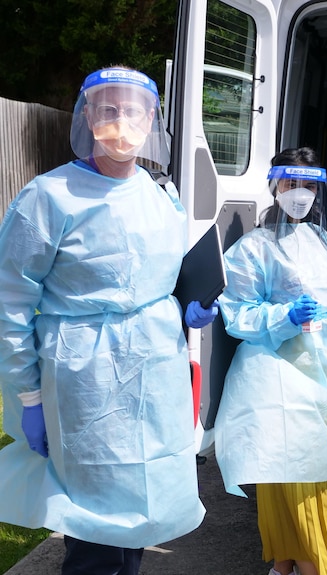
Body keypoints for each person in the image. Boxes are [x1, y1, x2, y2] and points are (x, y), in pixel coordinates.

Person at [0, 66, 219, 575]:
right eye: (108, 110)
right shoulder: (48, 198)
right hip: (85, 381)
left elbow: (163, 273)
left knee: (141, 518)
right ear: (87, 117)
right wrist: (28, 398)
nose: (122, 122)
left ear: (151, 121)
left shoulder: (161, 196)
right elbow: (9, 304)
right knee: (94, 529)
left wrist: (190, 305)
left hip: (153, 376)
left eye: (133, 111)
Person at [214, 147, 327, 575]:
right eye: (290, 183)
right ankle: (314, 568)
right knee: (293, 476)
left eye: (307, 185)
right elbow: (237, 312)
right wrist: (284, 316)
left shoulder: (323, 242)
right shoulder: (254, 248)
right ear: (274, 186)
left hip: (326, 373)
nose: (299, 193)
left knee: (322, 477)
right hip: (277, 376)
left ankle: (285, 566)